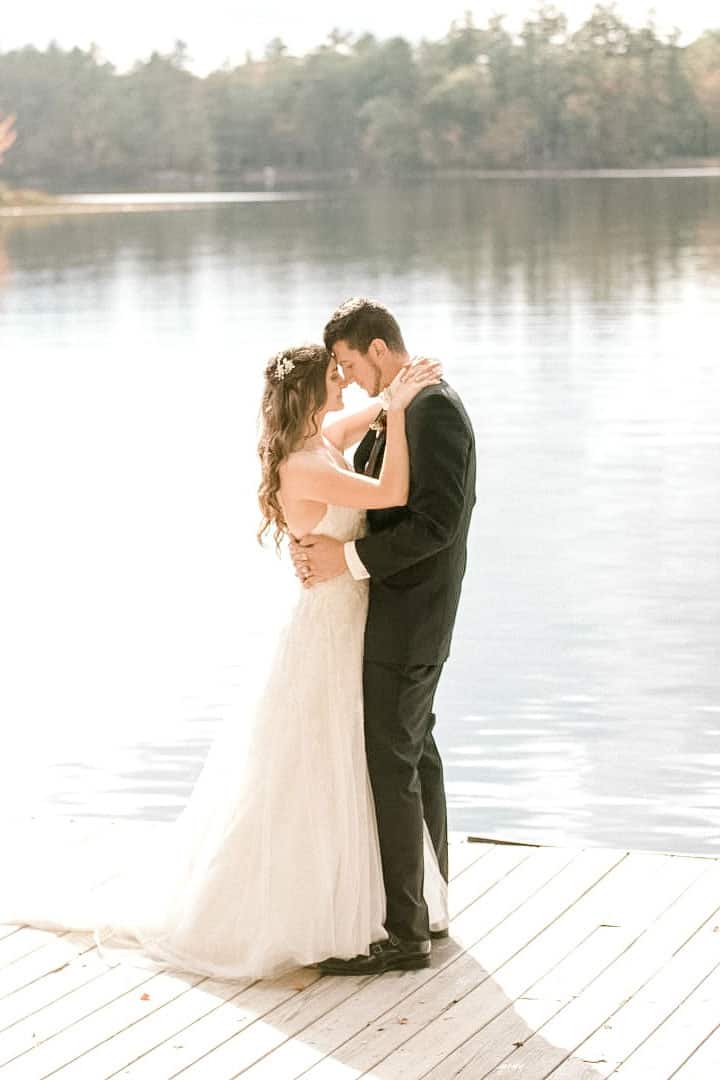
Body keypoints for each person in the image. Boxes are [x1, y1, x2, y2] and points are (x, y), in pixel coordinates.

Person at [0, 342, 447, 979]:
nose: (345, 386)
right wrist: (400, 414)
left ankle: (373, 901)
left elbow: (359, 413)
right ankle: (310, 908)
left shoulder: (320, 438)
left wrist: (389, 393)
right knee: (318, 764)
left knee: (348, 759)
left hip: (349, 621)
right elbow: (392, 488)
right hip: (329, 628)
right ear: (310, 392)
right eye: (334, 378)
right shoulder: (303, 465)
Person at [290, 298, 476, 975]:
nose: (347, 377)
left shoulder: (433, 411)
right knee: (414, 751)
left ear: (375, 348)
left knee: (394, 759)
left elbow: (436, 527)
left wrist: (347, 559)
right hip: (392, 609)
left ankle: (405, 935)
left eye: (346, 363)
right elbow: (362, 493)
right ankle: (427, 909)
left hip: (414, 611)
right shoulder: (407, 406)